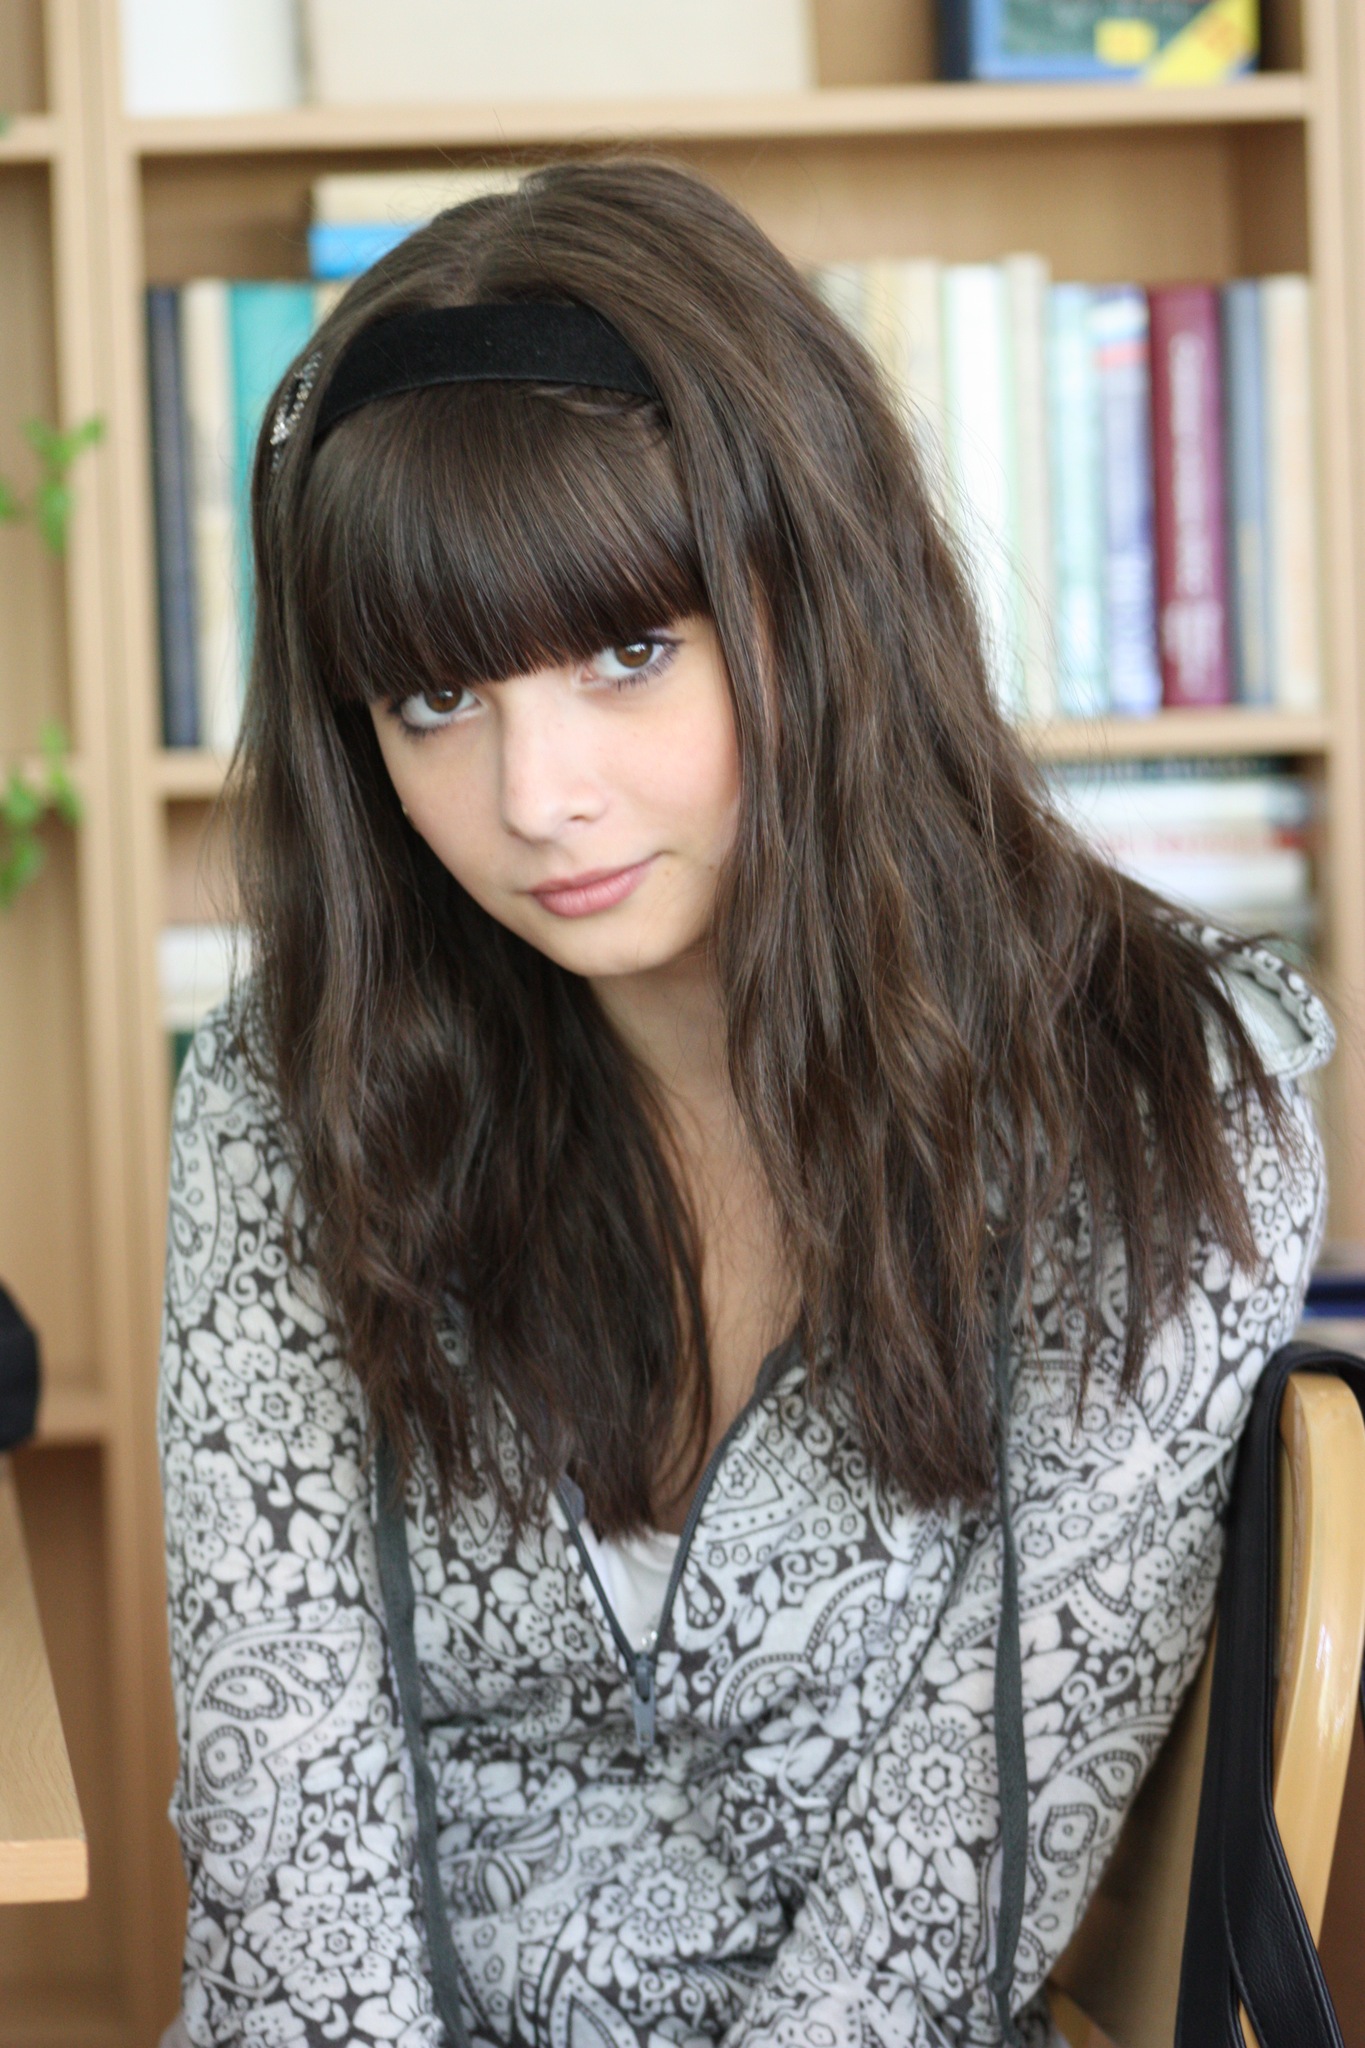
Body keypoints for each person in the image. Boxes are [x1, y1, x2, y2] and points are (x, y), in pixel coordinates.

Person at [158, 158, 1331, 2048]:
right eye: (433, 702)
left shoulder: (1159, 1110)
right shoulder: (286, 1097)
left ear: (819, 600)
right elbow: (288, 1857)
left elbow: (936, 1916)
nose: (536, 796)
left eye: (629, 655)